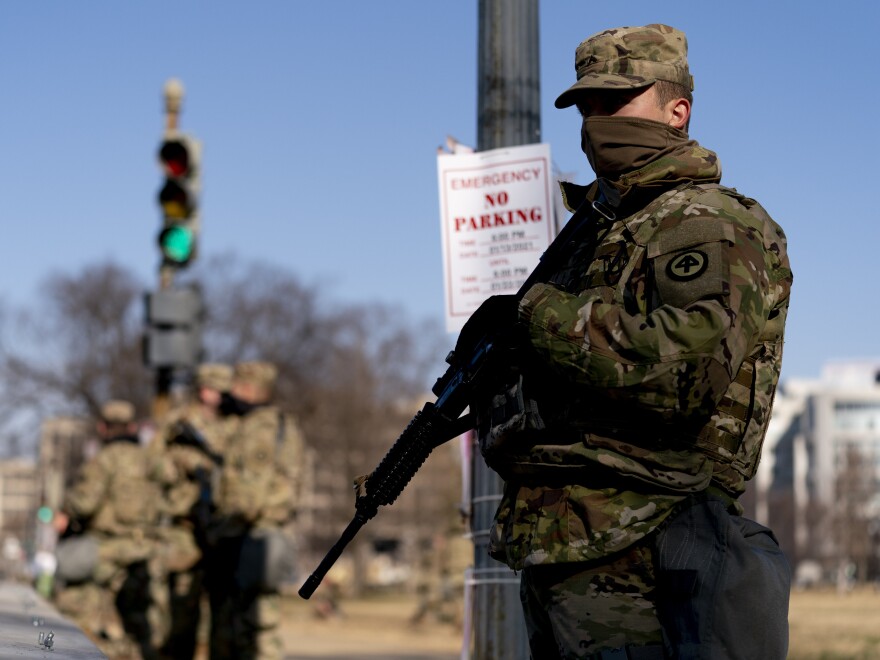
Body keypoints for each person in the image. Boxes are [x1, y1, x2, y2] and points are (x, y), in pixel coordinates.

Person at [464, 24, 793, 659]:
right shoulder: (597, 230)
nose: (596, 120)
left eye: (617, 100)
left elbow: (682, 372)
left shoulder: (706, 219)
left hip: (646, 540)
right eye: (587, 104)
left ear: (678, 111)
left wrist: (536, 313)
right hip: (563, 541)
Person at [54, 399, 170, 659]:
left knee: (77, 612)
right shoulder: (153, 461)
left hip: (106, 550)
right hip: (147, 550)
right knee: (141, 627)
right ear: (132, 428)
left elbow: (84, 503)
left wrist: (66, 509)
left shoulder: (103, 460)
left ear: (103, 428)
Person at [207, 360, 305, 660]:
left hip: (253, 538)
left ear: (249, 389)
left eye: (236, 386)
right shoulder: (265, 425)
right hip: (245, 537)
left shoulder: (264, 428)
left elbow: (256, 493)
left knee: (254, 631)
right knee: (241, 628)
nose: (230, 392)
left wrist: (225, 524)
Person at [153, 363, 237, 660]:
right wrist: (179, 464)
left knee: (224, 613)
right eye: (215, 388)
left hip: (223, 527)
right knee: (181, 615)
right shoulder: (179, 421)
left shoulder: (235, 425)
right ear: (203, 388)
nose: (219, 394)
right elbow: (153, 464)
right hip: (185, 529)